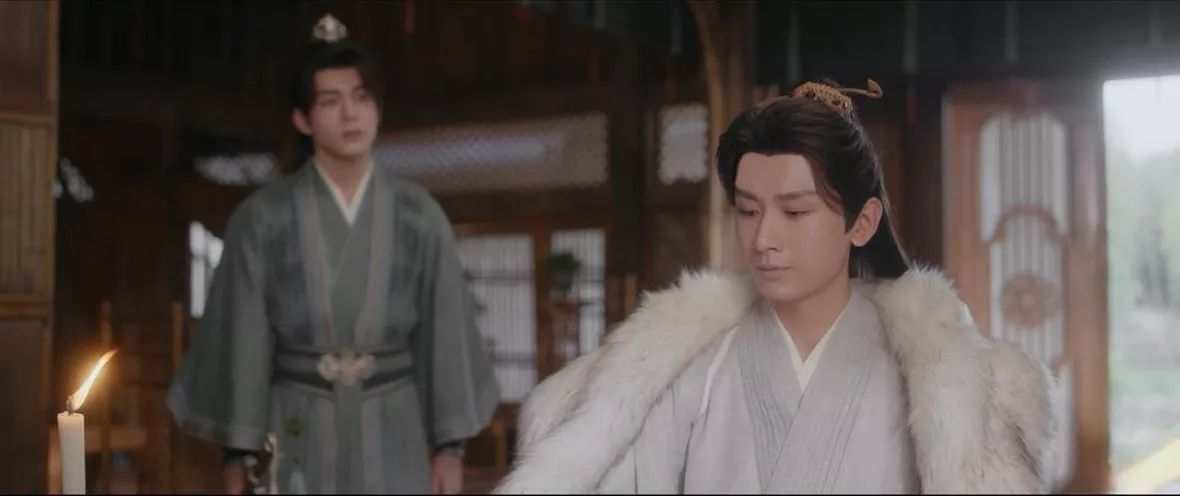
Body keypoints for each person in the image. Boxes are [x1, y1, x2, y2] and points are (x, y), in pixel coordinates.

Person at [494, 79, 1063, 494]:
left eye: (795, 212)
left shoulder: (933, 374)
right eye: (748, 211)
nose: (764, 238)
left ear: (862, 223)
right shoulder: (690, 364)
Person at [168, 14, 500, 495]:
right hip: (297, 425)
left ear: (378, 109)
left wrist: (450, 447)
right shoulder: (262, 219)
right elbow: (242, 339)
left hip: (395, 427)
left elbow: (445, 330)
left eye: (361, 97)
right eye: (330, 101)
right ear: (302, 119)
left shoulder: (418, 214)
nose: (350, 115)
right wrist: (238, 454)